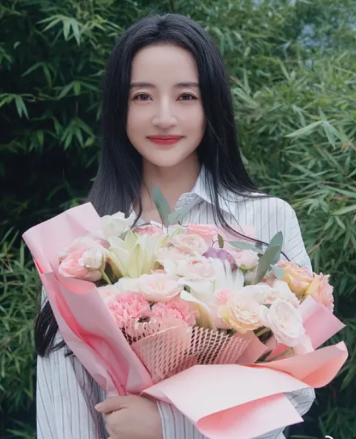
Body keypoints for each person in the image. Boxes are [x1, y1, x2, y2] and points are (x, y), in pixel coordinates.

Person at [35, 12, 316, 439]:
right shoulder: (77, 245)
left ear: (212, 105)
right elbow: (63, 412)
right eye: (142, 96)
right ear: (119, 108)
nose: (164, 117)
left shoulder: (267, 219)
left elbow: (297, 389)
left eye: (186, 96)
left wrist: (169, 425)